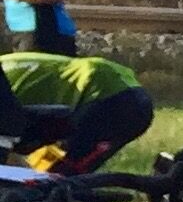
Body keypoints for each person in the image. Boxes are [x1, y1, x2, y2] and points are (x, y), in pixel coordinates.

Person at [0, 47, 152, 172]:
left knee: (57, 177)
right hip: (121, 88)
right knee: (56, 174)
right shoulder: (6, 66)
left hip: (107, 97)